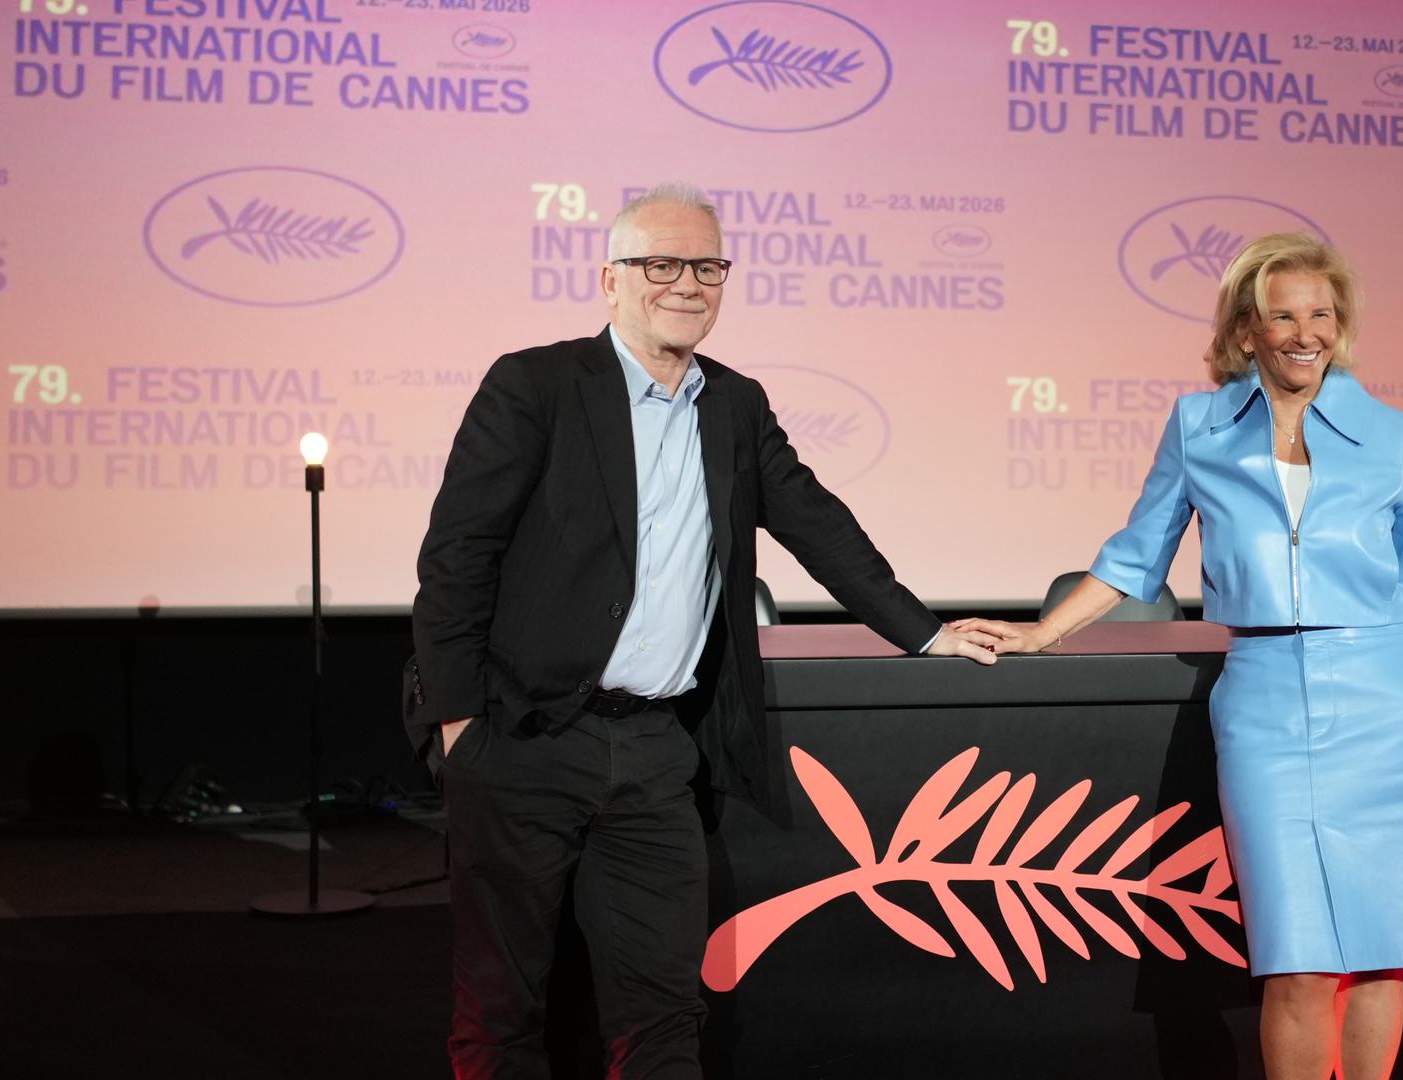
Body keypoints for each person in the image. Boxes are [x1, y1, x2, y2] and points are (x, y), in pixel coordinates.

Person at [406, 181, 996, 1079]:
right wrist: (461, 731)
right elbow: (457, 560)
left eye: (708, 266)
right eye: (662, 263)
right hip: (521, 739)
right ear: (610, 279)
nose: (687, 283)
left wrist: (922, 633)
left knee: (665, 1012)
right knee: (503, 1010)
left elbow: (815, 521)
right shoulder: (535, 385)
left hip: (652, 753)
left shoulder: (735, 403)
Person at [952, 234, 1403, 1080]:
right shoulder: (1199, 427)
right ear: (1247, 330)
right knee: (1299, 956)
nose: (1306, 332)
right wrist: (1042, 631)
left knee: (1385, 952)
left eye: (1321, 314)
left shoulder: (1391, 432)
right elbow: (1138, 553)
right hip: (1268, 704)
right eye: (1284, 315)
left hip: (1391, 706)